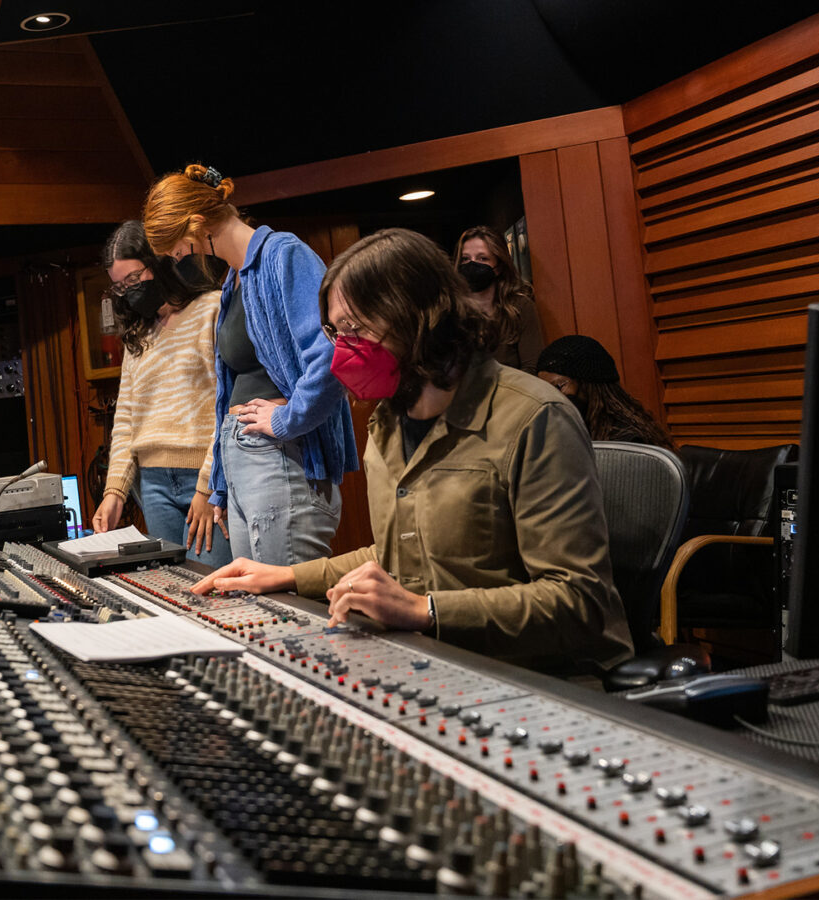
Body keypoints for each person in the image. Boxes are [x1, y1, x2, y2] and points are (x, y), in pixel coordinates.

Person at [192, 228, 633, 676]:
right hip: (439, 663)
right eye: (335, 331)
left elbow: (580, 601)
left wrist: (425, 611)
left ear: (419, 315)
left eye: (355, 328)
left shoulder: (535, 418)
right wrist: (286, 577)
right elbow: (400, 554)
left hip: (539, 677)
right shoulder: (388, 422)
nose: (340, 350)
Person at [142, 164, 358, 565]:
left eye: (176, 247)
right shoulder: (233, 280)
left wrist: (286, 418)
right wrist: (223, 484)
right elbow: (230, 389)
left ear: (196, 224)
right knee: (258, 607)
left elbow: (330, 354)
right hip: (246, 463)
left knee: (285, 612)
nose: (177, 258)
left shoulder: (284, 255)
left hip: (282, 459)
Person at [91, 220, 233, 567]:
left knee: (215, 591)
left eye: (135, 279)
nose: (129, 291)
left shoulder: (211, 309)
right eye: (120, 287)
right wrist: (115, 493)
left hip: (204, 475)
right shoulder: (139, 335)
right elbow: (126, 420)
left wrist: (207, 486)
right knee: (175, 590)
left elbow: (226, 403)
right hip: (153, 484)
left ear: (158, 263)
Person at [536, 335, 676, 451]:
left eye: (559, 387)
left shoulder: (628, 441)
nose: (551, 396)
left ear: (588, 385)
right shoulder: (560, 433)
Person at [454, 225, 544, 373]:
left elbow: (532, 367)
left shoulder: (520, 307)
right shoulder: (451, 311)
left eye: (482, 258)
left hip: (513, 392)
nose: (472, 265)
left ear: (499, 265)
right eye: (465, 259)